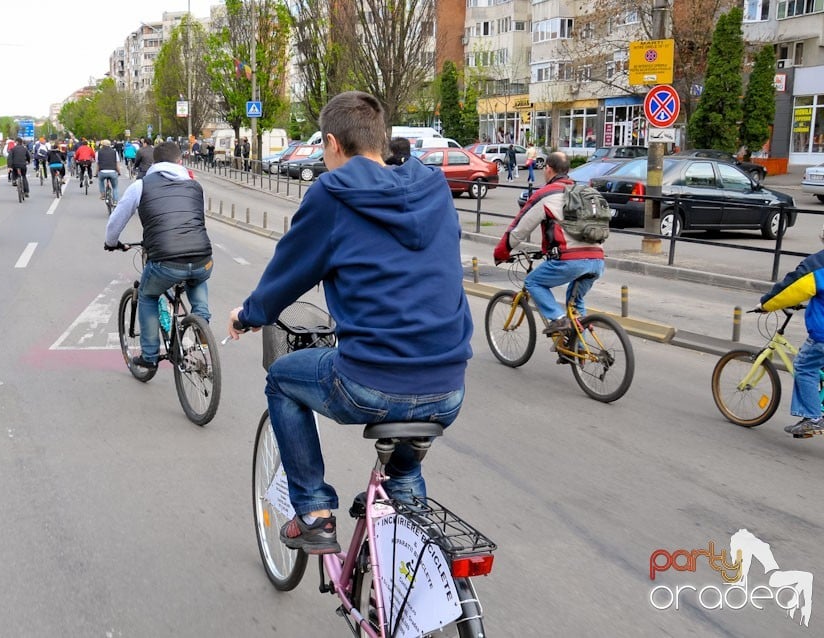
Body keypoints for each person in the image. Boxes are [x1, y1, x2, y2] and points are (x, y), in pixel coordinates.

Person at [226, 91, 473, 555]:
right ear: (382, 138)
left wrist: (249, 314)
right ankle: (404, 502)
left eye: (323, 149)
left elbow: (289, 272)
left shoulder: (332, 194)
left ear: (334, 143)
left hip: (370, 383)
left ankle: (314, 511)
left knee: (281, 379)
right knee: (405, 467)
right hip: (449, 386)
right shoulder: (435, 189)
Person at [105, 141, 212, 368]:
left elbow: (117, 219)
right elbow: (199, 218)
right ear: (180, 161)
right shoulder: (195, 185)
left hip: (165, 260)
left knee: (148, 295)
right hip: (202, 255)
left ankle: (150, 356)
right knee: (197, 277)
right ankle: (201, 323)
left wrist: (111, 242)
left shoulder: (140, 186)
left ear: (154, 162)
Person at [493, 152, 604, 337]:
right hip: (597, 259)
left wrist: (501, 252)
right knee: (575, 306)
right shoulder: (581, 191)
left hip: (570, 261)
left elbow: (520, 228)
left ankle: (558, 318)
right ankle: (580, 351)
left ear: (548, 169)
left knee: (532, 282)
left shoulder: (546, 194)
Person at [757, 226, 824, 435]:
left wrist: (766, 305)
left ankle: (814, 418)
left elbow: (791, 288)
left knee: (804, 366)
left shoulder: (818, 264)